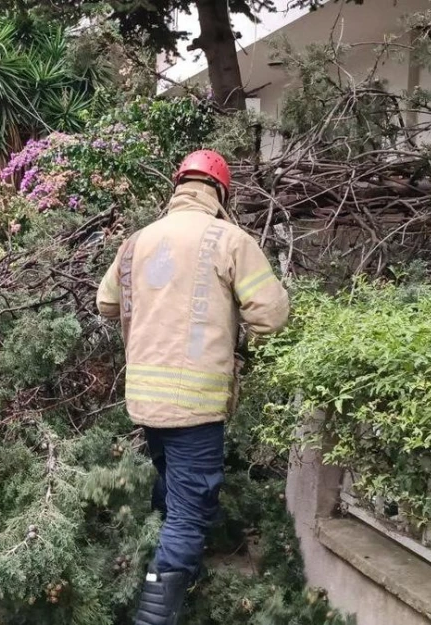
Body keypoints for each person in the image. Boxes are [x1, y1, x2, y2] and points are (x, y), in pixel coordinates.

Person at [95, 150, 290, 625]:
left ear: (177, 187)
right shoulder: (229, 240)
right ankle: (154, 618)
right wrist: (243, 339)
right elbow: (272, 312)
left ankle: (177, 584)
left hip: (144, 397)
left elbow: (105, 303)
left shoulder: (137, 241)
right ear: (221, 193)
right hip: (195, 402)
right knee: (190, 509)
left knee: (170, 492)